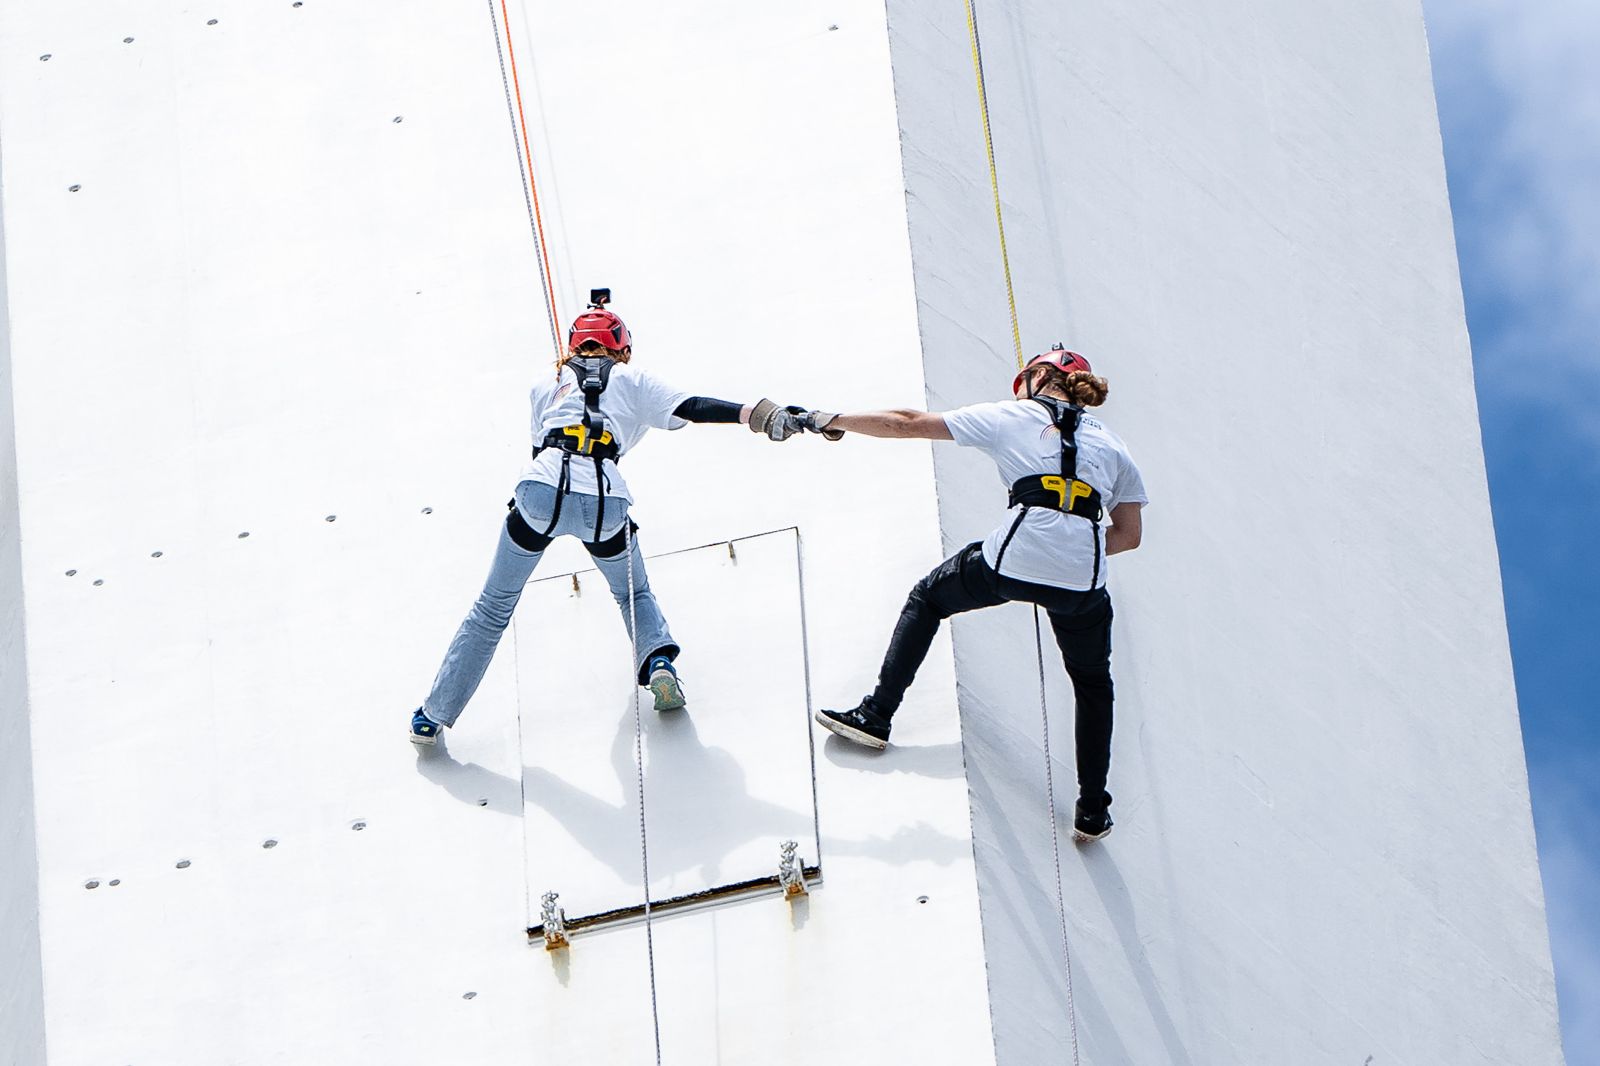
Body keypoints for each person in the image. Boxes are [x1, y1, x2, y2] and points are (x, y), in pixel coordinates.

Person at [410, 294, 808, 745]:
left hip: (540, 491)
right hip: (604, 501)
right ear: (621, 348)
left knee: (493, 607)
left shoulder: (546, 382)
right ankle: (658, 662)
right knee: (632, 591)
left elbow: (541, 439)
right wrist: (754, 414)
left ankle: (432, 716)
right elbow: (691, 407)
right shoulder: (633, 379)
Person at [803, 346, 1147, 842]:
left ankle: (876, 716)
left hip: (1014, 557)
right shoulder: (1115, 446)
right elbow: (1129, 535)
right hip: (1082, 578)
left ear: (1040, 376)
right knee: (1093, 683)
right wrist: (1069, 553)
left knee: (929, 598)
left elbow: (906, 422)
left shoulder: (1013, 415)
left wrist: (827, 419)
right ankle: (1093, 808)